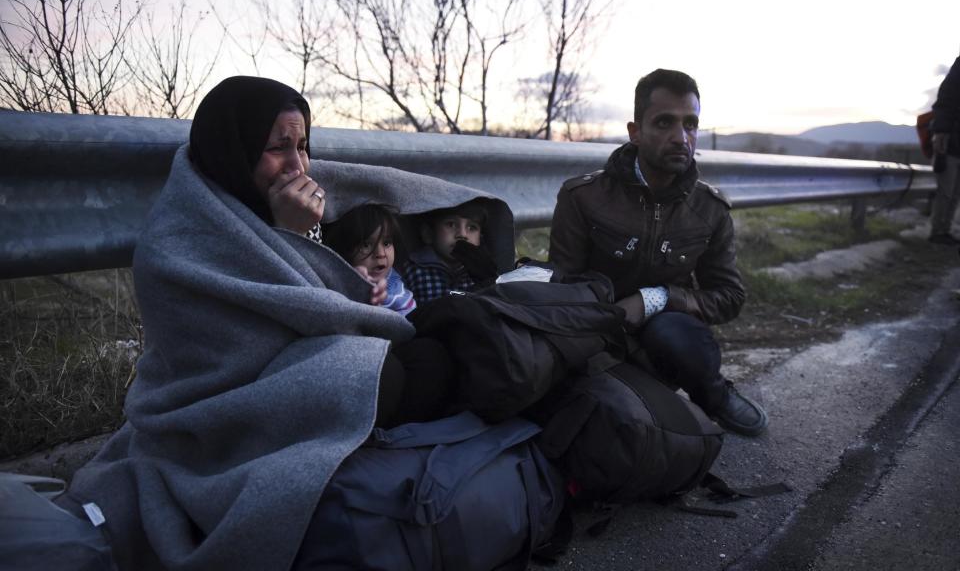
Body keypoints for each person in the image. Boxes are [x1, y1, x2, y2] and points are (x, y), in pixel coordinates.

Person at [58, 76, 515, 571]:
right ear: (233, 149)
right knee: (387, 372)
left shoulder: (274, 194)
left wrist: (332, 269)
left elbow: (319, 309)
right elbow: (258, 342)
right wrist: (291, 236)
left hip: (296, 369)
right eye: (278, 148)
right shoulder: (176, 240)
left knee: (437, 349)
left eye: (302, 146)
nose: (297, 166)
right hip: (220, 405)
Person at [548, 68, 768, 437]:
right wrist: (607, 317)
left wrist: (657, 299)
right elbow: (561, 287)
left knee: (674, 333)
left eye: (690, 124)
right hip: (596, 337)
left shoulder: (710, 210)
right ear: (635, 132)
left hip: (664, 346)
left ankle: (712, 395)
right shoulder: (582, 197)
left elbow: (729, 298)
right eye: (664, 123)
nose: (681, 138)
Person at [324, 203, 417, 316]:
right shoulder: (335, 283)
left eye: (386, 243)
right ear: (345, 250)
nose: (380, 254)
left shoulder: (393, 280)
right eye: (366, 245)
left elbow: (409, 312)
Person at [402, 201, 499, 303]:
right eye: (451, 224)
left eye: (472, 227)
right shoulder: (411, 269)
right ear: (428, 234)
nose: (462, 234)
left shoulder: (484, 272)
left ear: (480, 239)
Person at [928, 54, 960, 245]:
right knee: (946, 191)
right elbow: (945, 100)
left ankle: (944, 231)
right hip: (949, 141)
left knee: (955, 192)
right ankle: (937, 232)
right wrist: (940, 133)